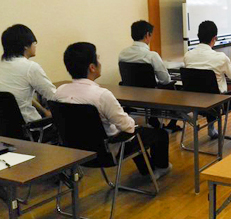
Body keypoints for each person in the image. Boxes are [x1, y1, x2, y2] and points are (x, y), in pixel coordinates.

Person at [55, 42, 172, 178]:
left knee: (133, 134)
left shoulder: (59, 92)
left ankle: (148, 169)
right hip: (106, 153)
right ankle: (161, 168)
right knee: (156, 133)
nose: (100, 63)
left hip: (75, 153)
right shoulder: (101, 95)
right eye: (98, 59)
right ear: (92, 67)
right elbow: (128, 128)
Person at [183, 21, 231, 143]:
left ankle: (211, 128)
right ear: (214, 38)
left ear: (198, 36)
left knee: (206, 89)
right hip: (217, 104)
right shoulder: (220, 57)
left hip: (195, 102)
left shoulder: (188, 55)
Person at [119, 20, 181, 132]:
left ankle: (154, 120)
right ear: (147, 35)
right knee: (169, 87)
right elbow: (165, 79)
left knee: (153, 88)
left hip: (130, 95)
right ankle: (170, 121)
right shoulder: (151, 56)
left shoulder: (122, 54)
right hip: (152, 96)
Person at [0, 24, 56, 122]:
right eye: (34, 43)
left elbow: (17, 98)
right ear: (26, 46)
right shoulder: (30, 67)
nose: (35, 46)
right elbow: (53, 96)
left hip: (5, 130)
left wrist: (43, 110)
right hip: (31, 128)